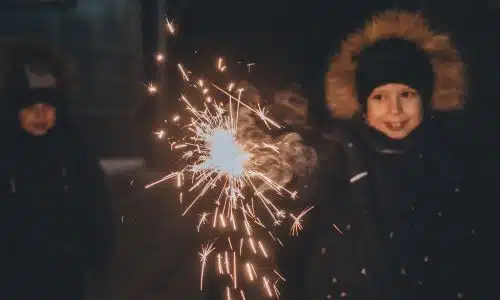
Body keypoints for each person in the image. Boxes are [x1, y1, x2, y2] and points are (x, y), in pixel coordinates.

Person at [278, 10, 480, 299]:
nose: (395, 110)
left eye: (407, 95)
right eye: (380, 97)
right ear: (363, 105)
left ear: (426, 97)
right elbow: (305, 184)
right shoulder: (339, 153)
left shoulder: (446, 160)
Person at [0, 39, 114, 300]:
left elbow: (95, 202)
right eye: (31, 108)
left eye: (47, 107)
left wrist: (98, 254)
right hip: (14, 271)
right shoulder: (7, 151)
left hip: (65, 268)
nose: (40, 115)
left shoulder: (72, 148)